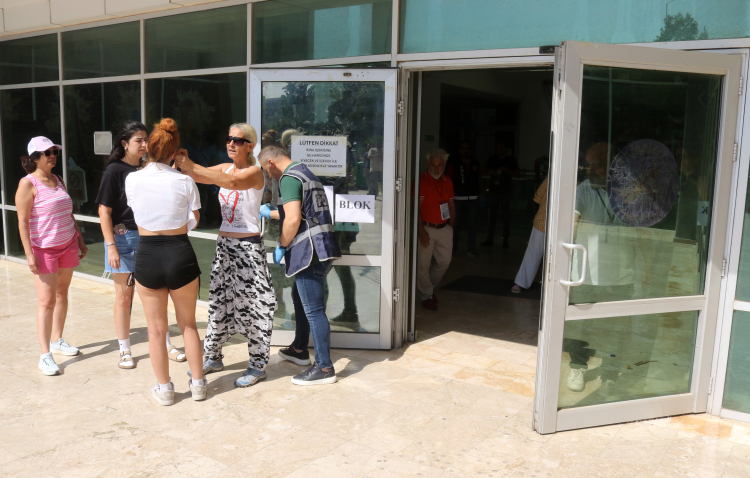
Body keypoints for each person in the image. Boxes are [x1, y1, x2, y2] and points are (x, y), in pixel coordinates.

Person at [175, 123, 277, 388]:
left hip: (248, 249)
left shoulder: (254, 172)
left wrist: (191, 165)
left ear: (250, 146)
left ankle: (257, 365)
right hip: (225, 246)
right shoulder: (224, 168)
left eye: (238, 140)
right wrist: (181, 160)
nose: (231, 143)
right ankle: (213, 356)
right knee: (218, 303)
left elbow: (231, 183)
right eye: (229, 139)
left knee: (254, 306)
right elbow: (197, 175)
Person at [125, 118, 206, 406]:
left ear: (148, 148)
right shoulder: (185, 180)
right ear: (175, 151)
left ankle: (165, 389)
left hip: (148, 254)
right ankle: (198, 385)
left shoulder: (132, 179)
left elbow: (137, 211)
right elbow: (195, 219)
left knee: (156, 330)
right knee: (189, 326)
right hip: (179, 252)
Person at [258, 146, 342, 385]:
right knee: (299, 296)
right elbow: (302, 212)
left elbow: (293, 219)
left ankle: (324, 367)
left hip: (309, 252)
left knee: (314, 310)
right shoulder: (305, 172)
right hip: (324, 247)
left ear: (271, 162)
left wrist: (282, 245)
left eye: (266, 170)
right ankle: (299, 349)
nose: (269, 176)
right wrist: (273, 213)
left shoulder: (288, 178)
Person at [564, 142, 637, 395]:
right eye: (589, 164)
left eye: (597, 164)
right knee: (581, 325)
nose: (591, 169)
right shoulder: (582, 191)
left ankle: (610, 372)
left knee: (617, 328)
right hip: (587, 273)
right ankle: (577, 366)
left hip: (621, 273)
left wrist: (645, 265)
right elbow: (571, 226)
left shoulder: (627, 192)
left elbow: (640, 231)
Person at [15, 136, 88, 376]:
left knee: (62, 293)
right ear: (35, 157)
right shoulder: (27, 184)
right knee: (46, 301)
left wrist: (79, 238)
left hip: (68, 245)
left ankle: (57, 340)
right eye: (47, 152)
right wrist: (29, 254)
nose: (52, 156)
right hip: (44, 249)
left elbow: (68, 213)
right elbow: (23, 222)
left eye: (54, 152)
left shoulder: (58, 180)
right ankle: (45, 355)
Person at [417, 149, 455, 311]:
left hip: (444, 228)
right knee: (423, 265)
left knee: (445, 261)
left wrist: (450, 227)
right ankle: (426, 296)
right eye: (433, 164)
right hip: (426, 228)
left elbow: (451, 205)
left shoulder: (448, 181)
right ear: (428, 164)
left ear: (444, 165)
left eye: (440, 165)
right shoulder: (420, 181)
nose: (436, 168)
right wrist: (421, 232)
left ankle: (428, 289)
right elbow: (415, 209)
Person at [511, 176, 548, 293]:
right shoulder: (556, 176)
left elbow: (538, 196)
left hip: (545, 219)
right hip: (545, 220)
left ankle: (521, 282)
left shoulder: (552, 177)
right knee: (535, 252)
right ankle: (521, 281)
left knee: (533, 252)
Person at [482, 141, 520, 248]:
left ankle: (505, 240)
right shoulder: (492, 159)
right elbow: (484, 171)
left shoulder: (511, 160)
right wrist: (491, 172)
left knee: (506, 217)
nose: (500, 149)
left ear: (507, 149)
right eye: (499, 147)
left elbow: (517, 174)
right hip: (494, 191)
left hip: (506, 191)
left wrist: (507, 170)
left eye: (503, 147)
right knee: (491, 216)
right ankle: (490, 239)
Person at [447, 141, 480, 257]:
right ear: (459, 150)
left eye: (468, 148)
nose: (465, 150)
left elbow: (480, 178)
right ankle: (452, 249)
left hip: (473, 198)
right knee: (455, 225)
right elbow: (448, 179)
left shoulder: (475, 163)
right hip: (457, 199)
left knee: (472, 225)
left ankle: (471, 248)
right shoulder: (454, 163)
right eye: (463, 148)